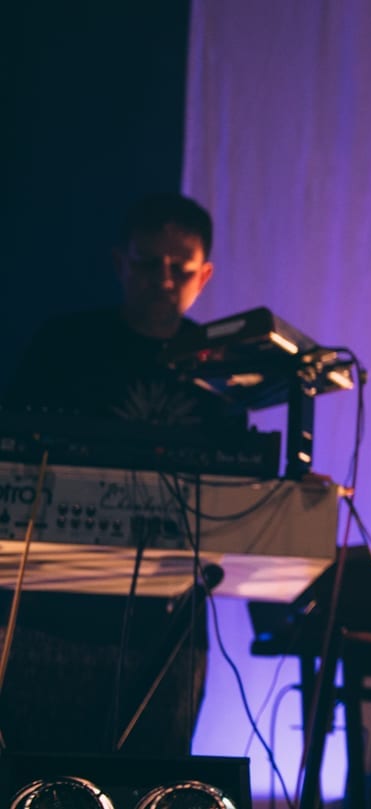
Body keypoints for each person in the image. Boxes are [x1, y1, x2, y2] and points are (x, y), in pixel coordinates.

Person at [1, 193, 232, 754]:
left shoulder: (223, 368)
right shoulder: (67, 346)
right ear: (119, 264)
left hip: (168, 631)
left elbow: (233, 485)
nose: (164, 279)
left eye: (180, 268)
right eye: (149, 263)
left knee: (149, 779)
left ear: (204, 276)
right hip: (53, 617)